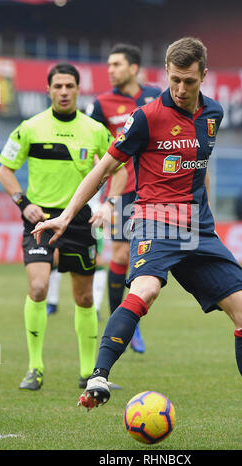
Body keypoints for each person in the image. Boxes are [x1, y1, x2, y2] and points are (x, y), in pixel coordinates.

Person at [32, 39, 242, 442]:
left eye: (189, 81)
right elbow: (104, 168)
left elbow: (197, 169)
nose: (180, 89)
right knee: (146, 289)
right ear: (166, 75)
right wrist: (68, 215)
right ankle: (99, 377)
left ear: (203, 75)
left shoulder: (214, 114)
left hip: (198, 227)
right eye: (174, 80)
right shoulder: (146, 117)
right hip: (154, 220)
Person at [0, 63, 125, 391]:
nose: (64, 92)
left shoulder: (94, 130)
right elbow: (5, 170)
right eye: (58, 86)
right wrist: (24, 203)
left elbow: (121, 169)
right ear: (49, 89)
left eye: (69, 86)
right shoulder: (30, 127)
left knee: (83, 298)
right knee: (38, 288)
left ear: (79, 89)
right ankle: (35, 368)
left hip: (80, 221)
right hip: (40, 222)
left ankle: (89, 372)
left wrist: (109, 204)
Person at [87, 43, 161, 353]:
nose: (110, 70)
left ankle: (130, 319)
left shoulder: (157, 95)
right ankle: (125, 324)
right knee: (119, 255)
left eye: (116, 64)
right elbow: (91, 142)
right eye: (108, 65)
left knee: (145, 259)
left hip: (156, 189)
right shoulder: (101, 103)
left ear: (133, 68)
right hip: (122, 189)